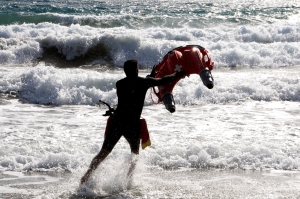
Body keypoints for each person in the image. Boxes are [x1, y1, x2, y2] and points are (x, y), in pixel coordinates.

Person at [80, 59, 188, 184]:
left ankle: (86, 176)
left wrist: (150, 77)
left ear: (125, 71)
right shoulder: (144, 82)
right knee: (134, 154)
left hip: (118, 121)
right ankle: (128, 180)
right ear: (136, 70)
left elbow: (136, 84)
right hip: (132, 125)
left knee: (104, 152)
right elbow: (162, 81)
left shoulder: (120, 84)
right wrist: (177, 74)